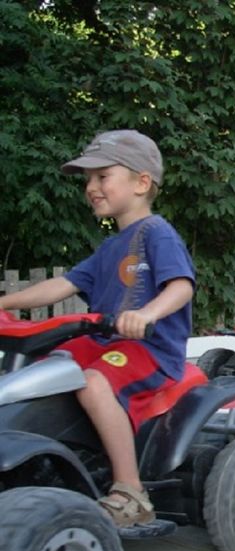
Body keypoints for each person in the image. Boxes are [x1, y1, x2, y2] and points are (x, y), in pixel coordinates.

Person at [0, 130, 195, 527]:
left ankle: (130, 491)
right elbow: (63, 285)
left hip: (150, 350)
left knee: (92, 380)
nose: (91, 188)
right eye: (88, 180)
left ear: (142, 183)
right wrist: (4, 302)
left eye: (102, 176)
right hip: (105, 344)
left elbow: (181, 285)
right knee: (51, 365)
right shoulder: (109, 248)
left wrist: (148, 314)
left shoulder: (157, 233)